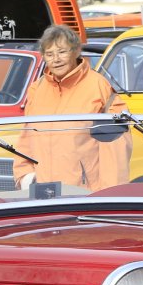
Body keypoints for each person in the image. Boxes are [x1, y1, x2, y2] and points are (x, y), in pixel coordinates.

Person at [13, 25, 129, 192]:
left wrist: (110, 194)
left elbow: (116, 147)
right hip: (44, 192)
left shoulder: (99, 87)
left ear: (75, 51)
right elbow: (26, 137)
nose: (56, 59)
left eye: (62, 52)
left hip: (85, 193)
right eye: (49, 54)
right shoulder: (36, 89)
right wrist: (25, 176)